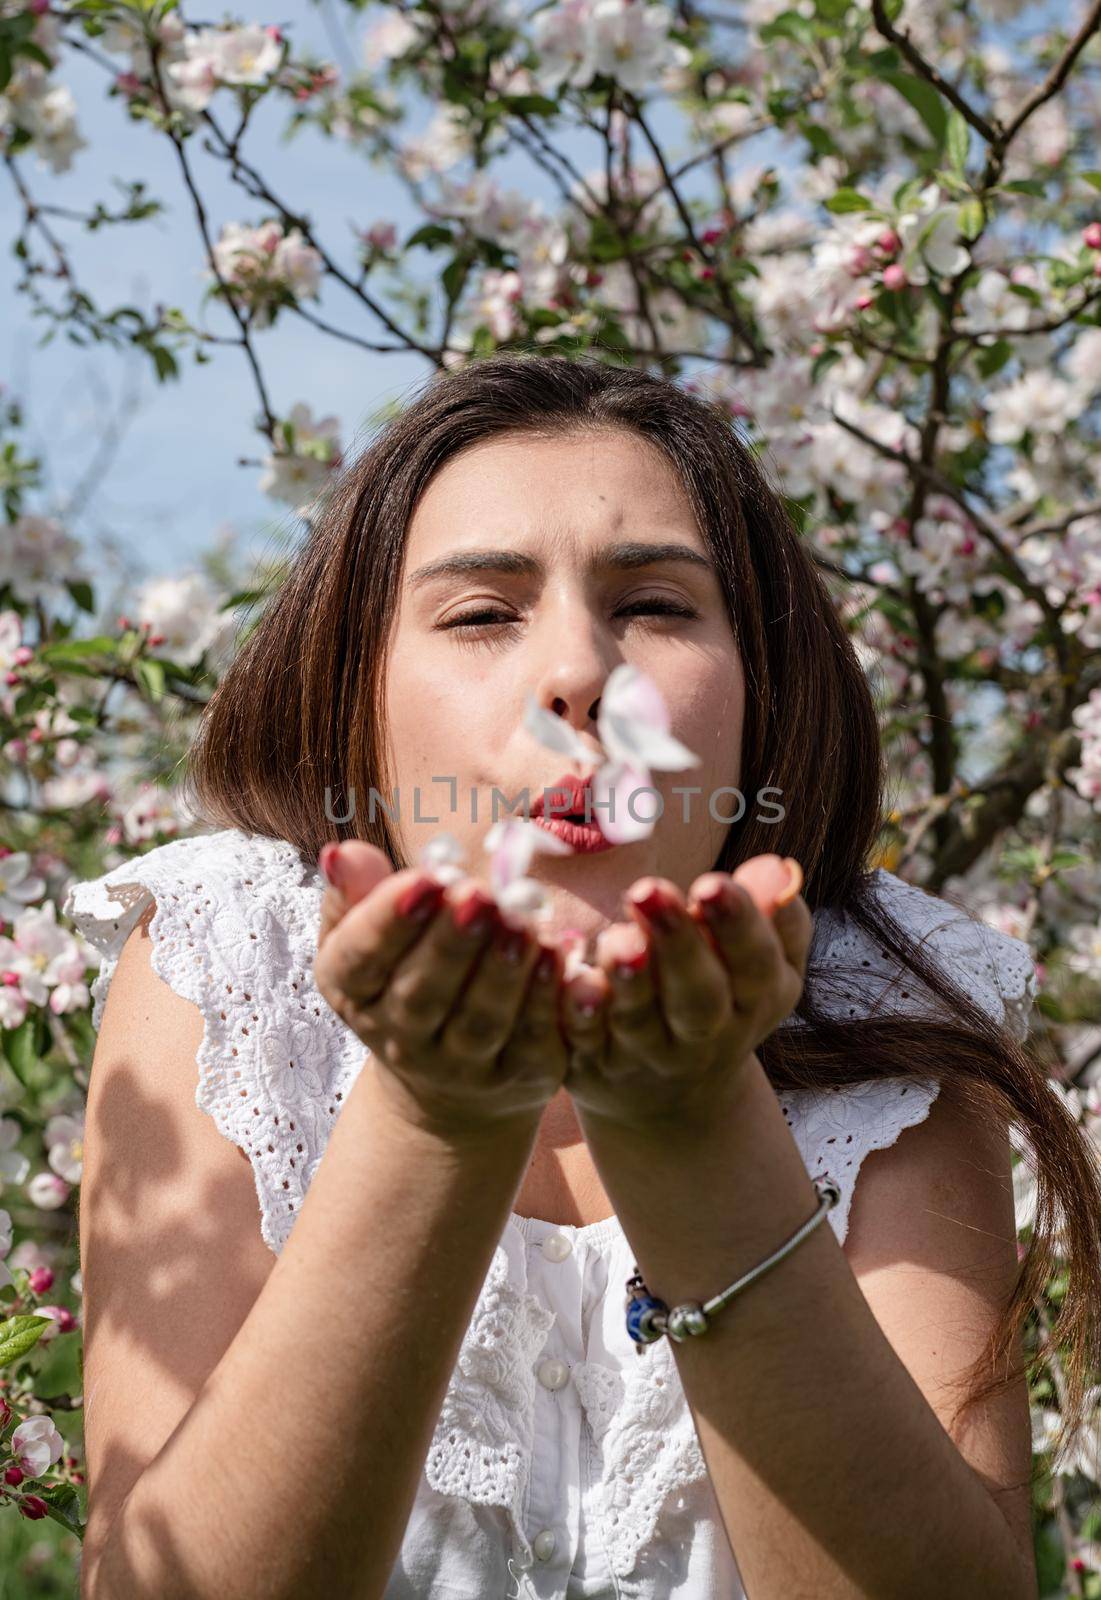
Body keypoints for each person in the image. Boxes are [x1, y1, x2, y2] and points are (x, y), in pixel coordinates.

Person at [64, 353, 1097, 1600]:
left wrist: (696, 1127)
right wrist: (435, 1116)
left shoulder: (898, 1006)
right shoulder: (223, 957)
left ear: (759, 691)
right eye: (482, 613)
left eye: (657, 605)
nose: (579, 675)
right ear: (363, 700)